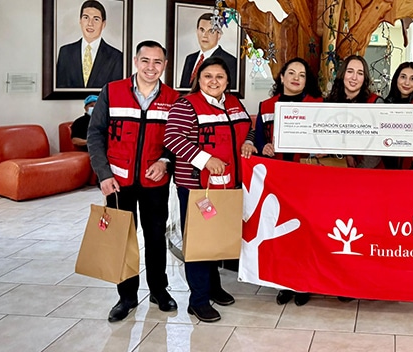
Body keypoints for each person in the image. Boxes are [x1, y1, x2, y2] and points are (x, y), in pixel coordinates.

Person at [87, 40, 179, 322]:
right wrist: (103, 174)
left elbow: (178, 140)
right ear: (136, 62)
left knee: (154, 238)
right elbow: (95, 135)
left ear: (164, 65)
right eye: (145, 61)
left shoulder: (174, 99)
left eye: (157, 62)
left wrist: (165, 162)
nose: (151, 67)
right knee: (122, 240)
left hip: (155, 183)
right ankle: (126, 297)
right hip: (117, 183)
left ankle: (159, 290)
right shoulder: (112, 92)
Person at [164, 57, 248, 322]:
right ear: (198, 79)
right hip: (197, 188)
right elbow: (172, 138)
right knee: (200, 243)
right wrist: (205, 159)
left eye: (220, 77)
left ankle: (213, 287)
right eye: (208, 76)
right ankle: (197, 300)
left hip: (229, 186)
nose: (214, 82)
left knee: (217, 240)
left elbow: (250, 129)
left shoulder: (234, 103)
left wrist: (249, 142)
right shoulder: (186, 105)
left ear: (227, 81)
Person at [241, 57, 323, 306]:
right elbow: (256, 138)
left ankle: (303, 284)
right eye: (291, 73)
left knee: (305, 233)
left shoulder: (318, 104)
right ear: (282, 77)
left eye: (302, 74)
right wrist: (261, 145)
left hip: (306, 179)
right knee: (280, 233)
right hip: (275, 181)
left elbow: (323, 139)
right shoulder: (266, 105)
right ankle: (284, 283)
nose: (296, 78)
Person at [325, 55, 385, 169]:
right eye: (350, 71)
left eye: (360, 73)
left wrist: (358, 172)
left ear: (365, 78)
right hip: (337, 168)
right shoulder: (331, 102)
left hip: (368, 172)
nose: (354, 77)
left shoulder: (375, 103)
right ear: (343, 74)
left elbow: (377, 147)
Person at [56, 0, 123, 89]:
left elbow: (116, 91)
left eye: (96, 19)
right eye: (86, 17)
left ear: (103, 24)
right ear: (80, 21)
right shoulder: (65, 52)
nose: (90, 23)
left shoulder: (116, 57)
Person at [179, 13, 238, 89]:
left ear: (219, 34)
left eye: (211, 31)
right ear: (197, 32)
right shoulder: (190, 58)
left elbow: (229, 93)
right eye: (202, 30)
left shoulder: (230, 61)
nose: (205, 35)